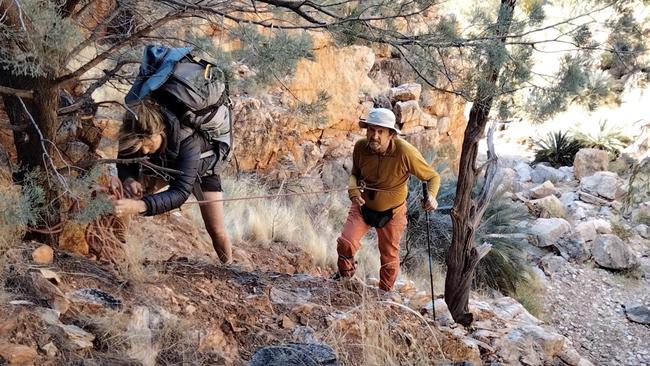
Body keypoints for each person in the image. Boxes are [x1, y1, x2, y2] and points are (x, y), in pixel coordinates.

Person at [112, 98, 233, 264]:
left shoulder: (187, 141)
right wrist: (129, 179)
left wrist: (140, 206)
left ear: (160, 132)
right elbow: (125, 160)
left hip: (202, 172)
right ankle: (116, 252)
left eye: (148, 145)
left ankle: (229, 268)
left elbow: (180, 193)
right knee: (125, 194)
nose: (144, 151)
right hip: (162, 165)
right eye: (139, 148)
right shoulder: (132, 130)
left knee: (216, 229)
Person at [334, 107, 440, 292]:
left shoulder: (405, 152)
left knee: (389, 259)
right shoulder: (360, 147)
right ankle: (344, 278)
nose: (374, 136)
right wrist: (353, 190)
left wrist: (431, 196)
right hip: (362, 206)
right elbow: (355, 174)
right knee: (346, 243)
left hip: (393, 213)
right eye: (371, 130)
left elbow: (432, 177)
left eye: (380, 131)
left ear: (391, 134)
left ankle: (385, 292)